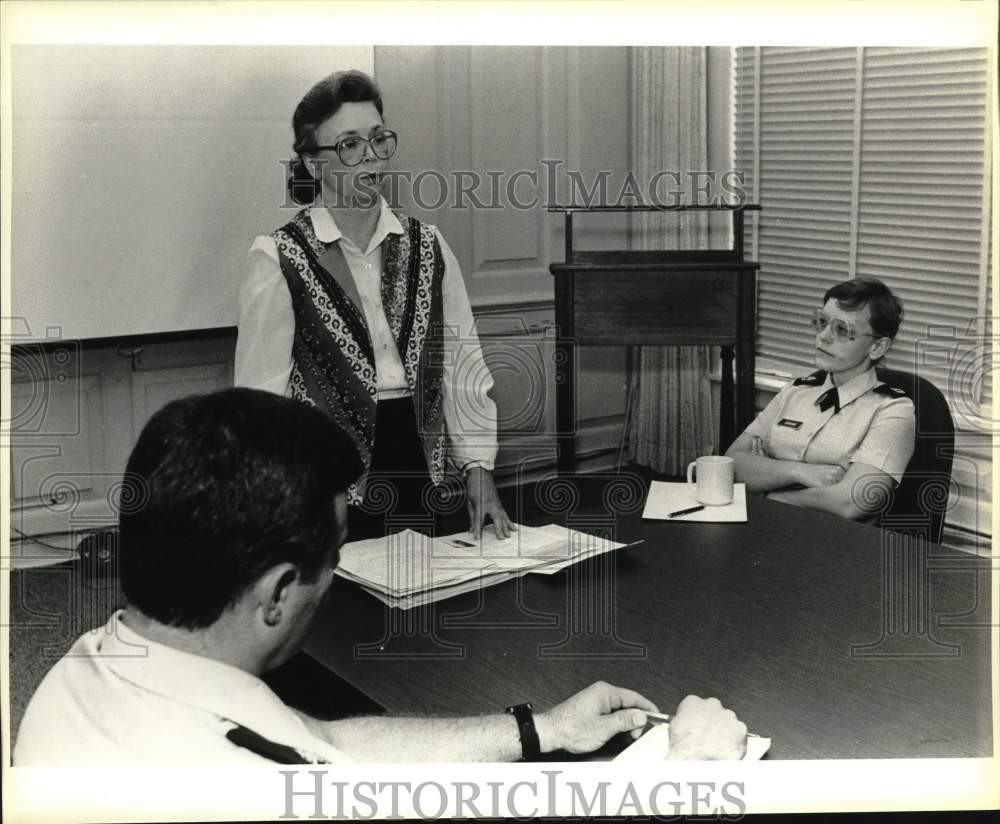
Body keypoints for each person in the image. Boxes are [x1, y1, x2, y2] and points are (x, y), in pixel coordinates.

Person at [14, 389, 748, 765]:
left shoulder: (83, 670)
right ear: (275, 594)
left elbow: (319, 738)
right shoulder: (251, 778)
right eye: (334, 556)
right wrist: (688, 773)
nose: (333, 579)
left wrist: (541, 731)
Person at [234, 69, 510, 540]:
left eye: (378, 139)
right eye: (348, 145)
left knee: (432, 599)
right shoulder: (279, 257)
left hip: (423, 462)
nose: (370, 158)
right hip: (328, 477)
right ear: (312, 163)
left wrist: (479, 471)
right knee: (346, 608)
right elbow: (261, 404)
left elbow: (462, 365)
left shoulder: (429, 245)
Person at [725, 277, 915, 521]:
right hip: (765, 528)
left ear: (877, 347)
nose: (823, 336)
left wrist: (766, 490)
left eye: (842, 329)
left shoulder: (892, 411)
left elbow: (851, 502)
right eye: (822, 322)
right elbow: (731, 463)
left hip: (830, 544)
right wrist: (799, 472)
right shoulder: (796, 392)